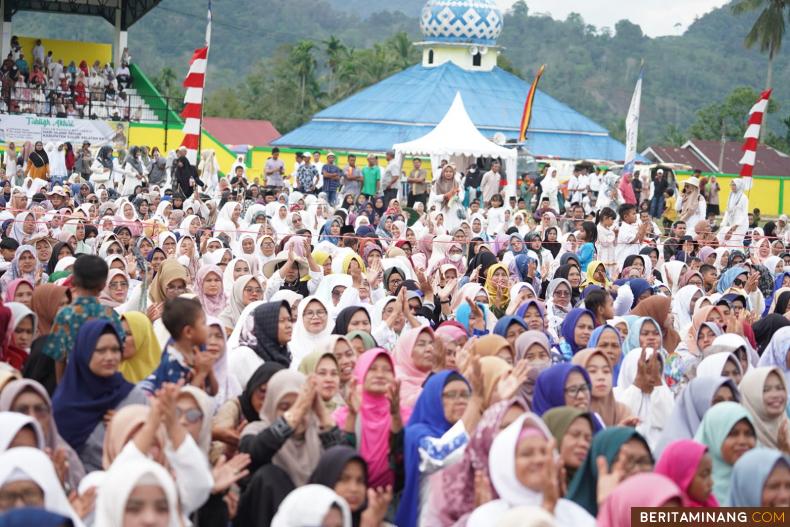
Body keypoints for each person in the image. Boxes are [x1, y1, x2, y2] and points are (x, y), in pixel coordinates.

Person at [42, 255, 125, 382]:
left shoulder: (66, 315)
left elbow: (59, 358)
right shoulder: (110, 315)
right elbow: (120, 353)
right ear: (103, 285)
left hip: (75, 383)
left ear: (74, 282)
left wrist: (62, 389)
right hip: (104, 384)